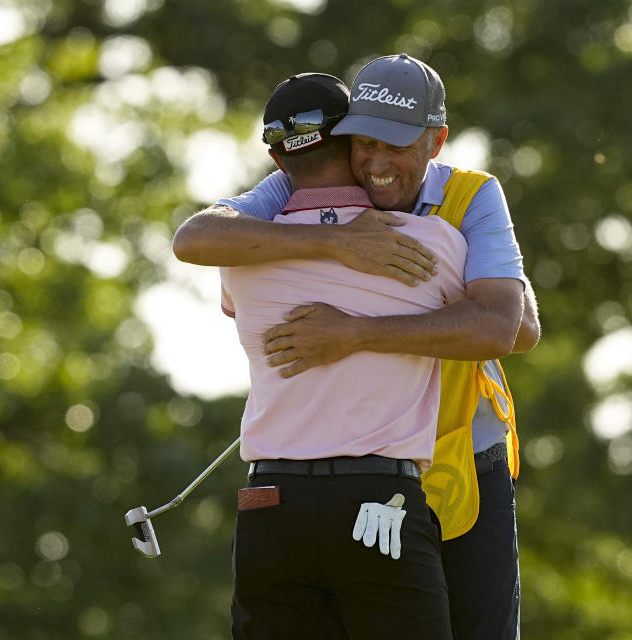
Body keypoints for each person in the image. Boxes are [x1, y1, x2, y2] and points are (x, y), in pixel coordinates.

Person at [175, 54, 540, 640]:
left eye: (395, 146)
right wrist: (336, 241)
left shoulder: (471, 198)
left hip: (466, 453)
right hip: (374, 472)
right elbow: (195, 237)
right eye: (363, 143)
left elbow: (512, 330)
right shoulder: (304, 187)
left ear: (436, 142)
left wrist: (354, 332)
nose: (375, 164)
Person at [224, 72, 466, 639]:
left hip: (268, 506)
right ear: (355, 147)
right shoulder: (433, 243)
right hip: (377, 502)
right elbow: (511, 325)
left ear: (280, 164)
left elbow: (230, 296)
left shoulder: (237, 261)